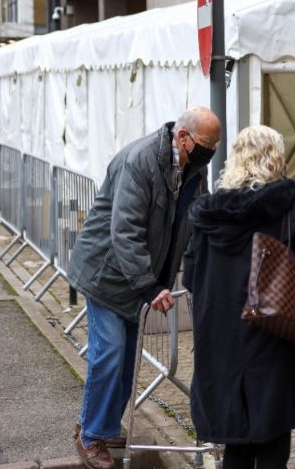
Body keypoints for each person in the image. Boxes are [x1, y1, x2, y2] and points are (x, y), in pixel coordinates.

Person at [66, 106, 221, 469]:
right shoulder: (139, 161)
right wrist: (151, 287)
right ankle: (90, 436)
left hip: (139, 278)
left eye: (216, 144)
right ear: (183, 137)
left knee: (125, 361)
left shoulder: (194, 168)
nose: (211, 151)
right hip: (107, 273)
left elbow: (201, 217)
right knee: (110, 353)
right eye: (207, 143)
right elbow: (125, 231)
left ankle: (100, 426)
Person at [181, 125, 295, 469]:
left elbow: (191, 275)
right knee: (271, 436)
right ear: (277, 159)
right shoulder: (286, 203)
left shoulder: (208, 211)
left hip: (221, 340)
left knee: (236, 439)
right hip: (272, 335)